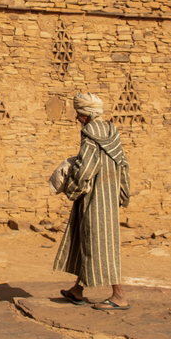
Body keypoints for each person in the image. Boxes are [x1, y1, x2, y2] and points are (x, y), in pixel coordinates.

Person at [53, 92, 131, 310]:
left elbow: (87, 166)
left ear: (86, 115)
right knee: (87, 239)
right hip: (109, 193)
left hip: (94, 195)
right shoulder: (110, 130)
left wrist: (72, 183)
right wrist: (122, 191)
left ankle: (119, 295)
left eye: (78, 113)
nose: (76, 117)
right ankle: (77, 290)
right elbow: (122, 163)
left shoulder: (89, 133)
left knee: (101, 243)